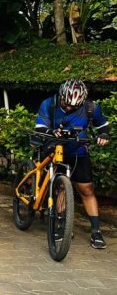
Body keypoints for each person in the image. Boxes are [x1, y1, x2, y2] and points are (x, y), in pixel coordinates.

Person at [34, 79, 110, 249]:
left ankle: (96, 231)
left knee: (87, 189)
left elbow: (103, 126)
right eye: (66, 104)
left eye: (74, 106)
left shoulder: (91, 107)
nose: (69, 108)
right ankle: (62, 225)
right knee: (60, 186)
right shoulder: (49, 104)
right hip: (56, 149)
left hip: (79, 151)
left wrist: (104, 135)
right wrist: (51, 131)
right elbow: (39, 127)